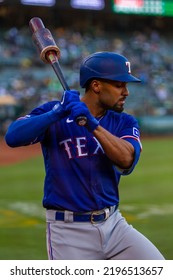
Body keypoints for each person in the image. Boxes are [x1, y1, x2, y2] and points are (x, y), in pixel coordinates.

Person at [5, 52, 164, 260]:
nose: (126, 92)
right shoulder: (54, 113)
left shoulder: (125, 122)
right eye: (119, 85)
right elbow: (13, 136)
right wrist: (58, 112)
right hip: (68, 232)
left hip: (114, 225)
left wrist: (91, 123)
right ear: (96, 86)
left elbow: (127, 161)